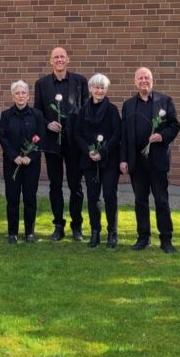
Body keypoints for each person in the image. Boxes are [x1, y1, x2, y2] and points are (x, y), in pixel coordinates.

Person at [119, 67, 180, 253]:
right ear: (135, 82)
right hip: (136, 161)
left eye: (147, 77)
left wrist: (162, 136)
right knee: (140, 201)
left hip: (158, 160)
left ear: (152, 80)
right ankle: (143, 237)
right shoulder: (128, 105)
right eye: (140, 78)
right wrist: (123, 159)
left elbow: (174, 125)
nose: (144, 81)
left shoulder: (165, 101)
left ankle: (166, 239)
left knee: (161, 200)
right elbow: (124, 134)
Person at [33, 46, 88, 241]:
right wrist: (48, 123)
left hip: (74, 142)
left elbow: (85, 111)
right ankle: (58, 225)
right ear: (50, 61)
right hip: (52, 143)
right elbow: (37, 112)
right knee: (55, 185)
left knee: (76, 186)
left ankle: (77, 226)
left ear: (68, 59)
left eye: (62, 56)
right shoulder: (41, 84)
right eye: (55, 57)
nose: (59, 60)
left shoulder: (80, 82)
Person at [73, 74, 121, 248]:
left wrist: (103, 152)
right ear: (91, 89)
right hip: (89, 160)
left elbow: (117, 134)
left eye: (103, 88)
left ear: (106, 90)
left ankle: (112, 233)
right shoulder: (83, 110)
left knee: (109, 195)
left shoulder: (112, 110)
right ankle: (95, 232)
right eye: (97, 87)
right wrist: (89, 151)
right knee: (93, 197)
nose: (99, 91)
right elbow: (77, 134)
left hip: (108, 160)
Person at [0, 80, 46, 243]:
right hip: (11, 164)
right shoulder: (5, 115)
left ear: (28, 96)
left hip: (31, 164)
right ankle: (12, 232)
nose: (20, 96)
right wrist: (15, 156)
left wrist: (29, 157)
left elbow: (41, 137)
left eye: (23, 93)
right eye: (17, 93)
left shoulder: (37, 115)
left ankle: (29, 232)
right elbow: (3, 138)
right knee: (12, 198)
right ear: (13, 96)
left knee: (29, 197)